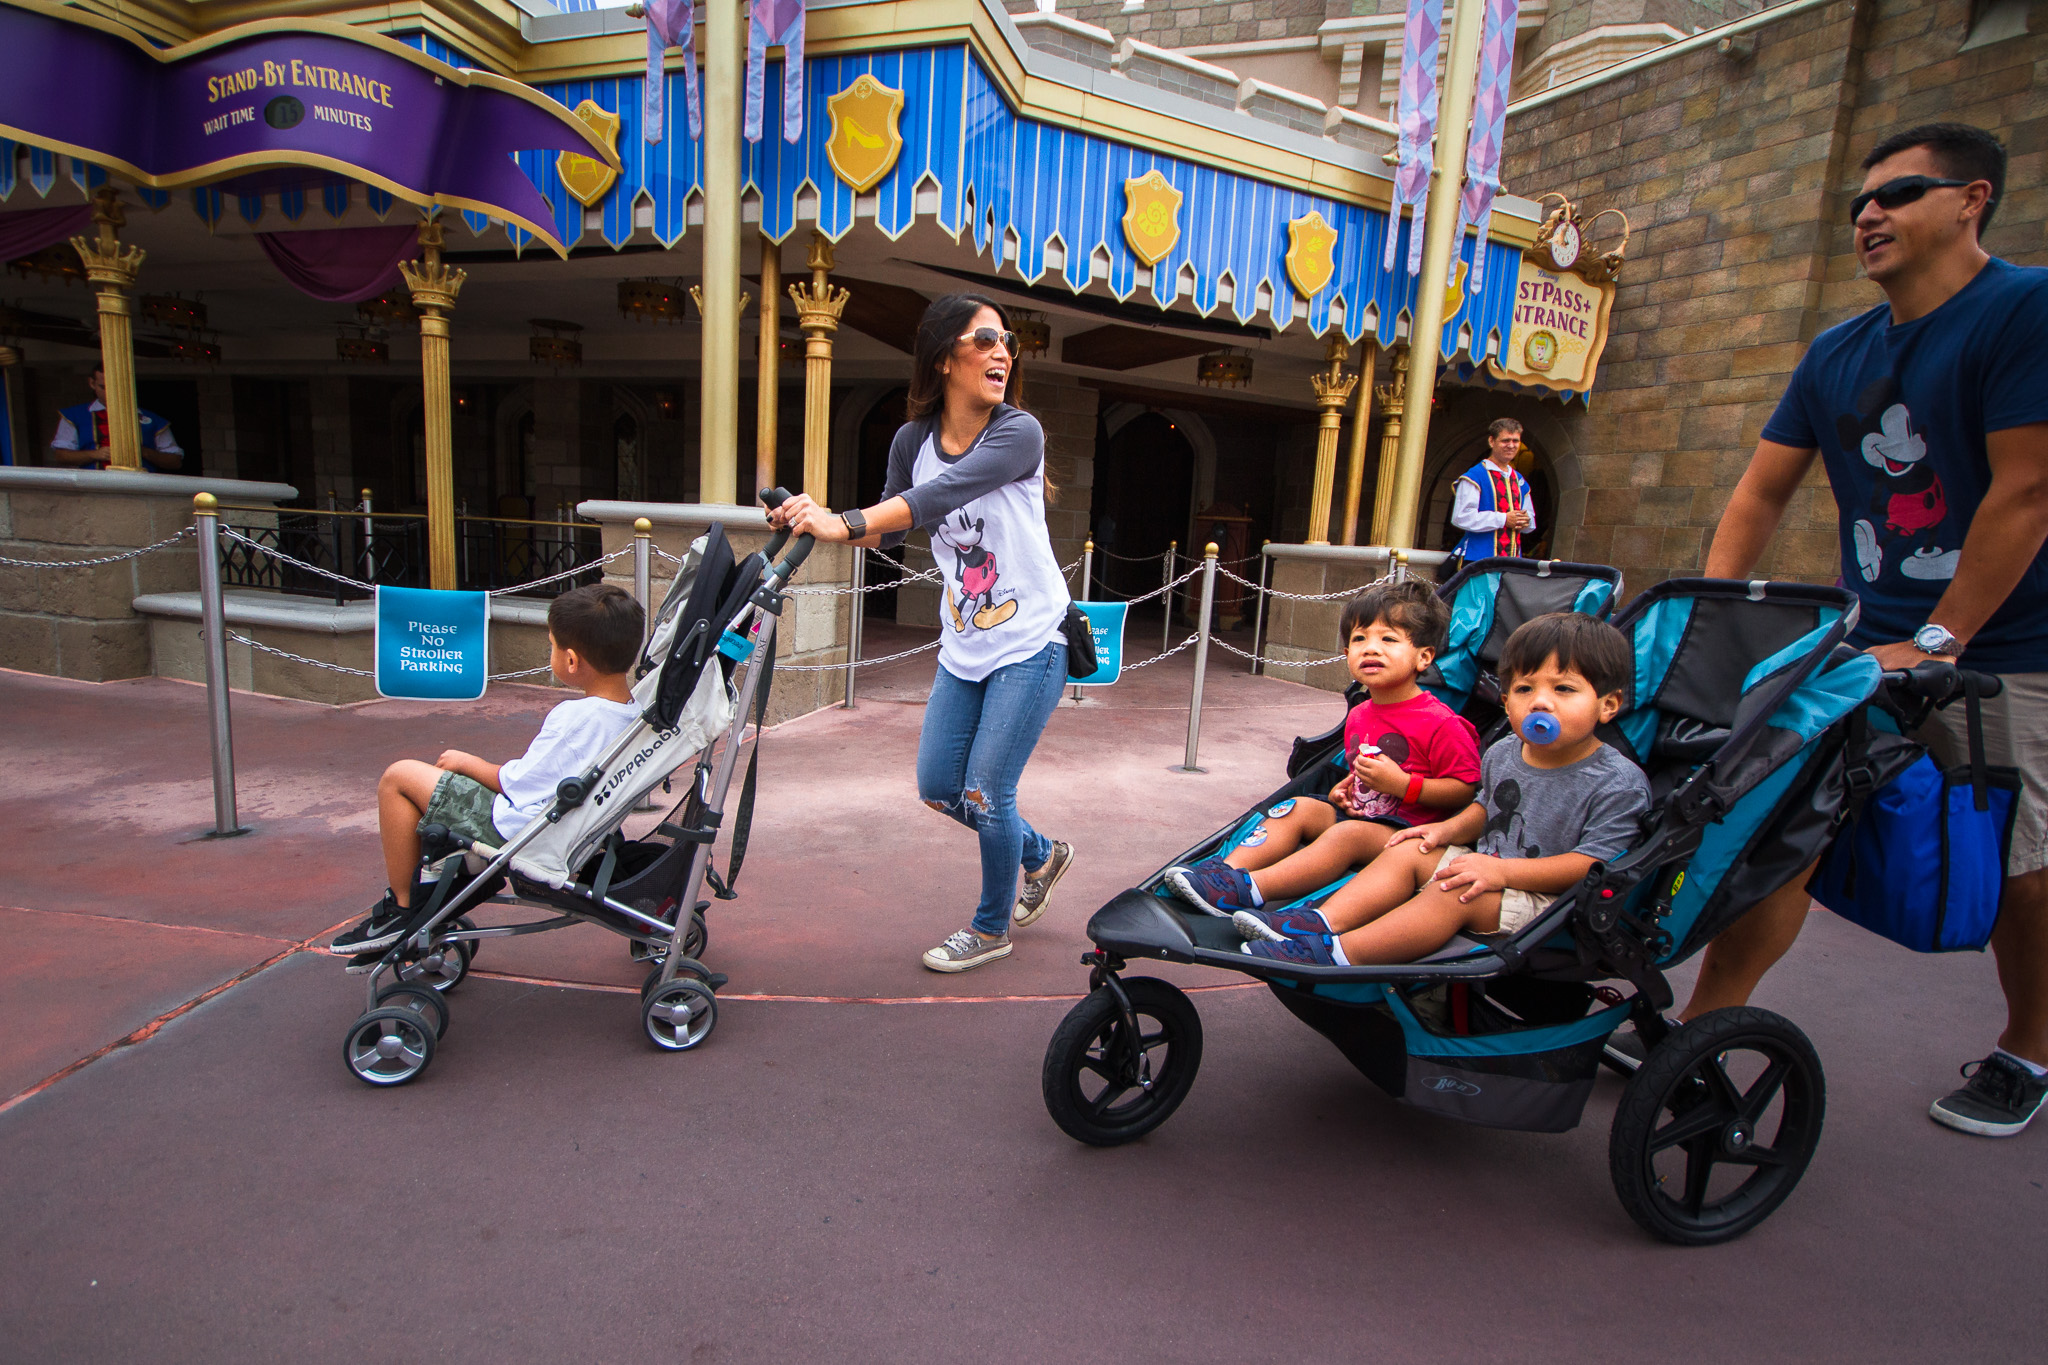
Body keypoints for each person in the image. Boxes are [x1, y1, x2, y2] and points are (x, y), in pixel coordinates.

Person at [1682, 122, 2048, 1137]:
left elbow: (2025, 492)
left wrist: (1939, 640)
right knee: (1776, 827)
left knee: (2017, 866)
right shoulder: (1835, 351)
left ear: (1970, 198)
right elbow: (1759, 490)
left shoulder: (2022, 310)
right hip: (1865, 638)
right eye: (1857, 203)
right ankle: (1700, 1028)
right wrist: (1714, 604)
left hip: (2009, 646)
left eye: (1895, 194)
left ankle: (2026, 1048)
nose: (1866, 216)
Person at [767, 293, 1075, 972]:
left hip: (1031, 641)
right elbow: (896, 526)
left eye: (1008, 343)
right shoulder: (912, 441)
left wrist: (843, 519)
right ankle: (1040, 852)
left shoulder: (1017, 432)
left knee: (987, 789)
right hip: (965, 642)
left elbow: (943, 495)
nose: (1003, 352)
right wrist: (809, 516)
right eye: (985, 339)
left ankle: (991, 927)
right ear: (943, 359)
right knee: (940, 785)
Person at [1238, 613, 1649, 967]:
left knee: (1452, 893)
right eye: (1525, 690)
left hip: (1551, 903)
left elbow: (1593, 865)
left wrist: (1499, 871)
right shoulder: (1507, 751)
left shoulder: (1617, 782)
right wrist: (1443, 832)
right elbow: (1486, 808)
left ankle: (1343, 953)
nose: (1540, 703)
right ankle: (1321, 922)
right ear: (1506, 702)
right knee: (1407, 849)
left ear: (1608, 705)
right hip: (1485, 865)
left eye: (1563, 689)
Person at [326, 583, 645, 963]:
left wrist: (468, 763)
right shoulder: (634, 713)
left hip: (518, 831)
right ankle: (428, 886)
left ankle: (405, 908)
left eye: (553, 646)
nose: (552, 655)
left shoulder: (575, 719)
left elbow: (518, 785)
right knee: (422, 784)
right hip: (565, 827)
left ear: (572, 661)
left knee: (399, 778)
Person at [1160, 578, 1480, 921]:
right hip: (1359, 814)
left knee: (1347, 835)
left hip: (1405, 833)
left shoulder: (1441, 723)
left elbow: (1465, 791)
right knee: (1296, 807)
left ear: (1424, 657)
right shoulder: (1360, 714)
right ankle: (1224, 871)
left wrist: (1403, 786)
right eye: (1359, 639)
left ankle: (1253, 889)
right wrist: (1345, 788)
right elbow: (1359, 772)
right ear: (1346, 654)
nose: (1371, 649)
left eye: (1388, 639)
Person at [47, 366, 183, 471]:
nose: (110, 393)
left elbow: (175, 461)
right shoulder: (74, 415)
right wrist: (96, 454)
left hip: (140, 490)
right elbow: (61, 456)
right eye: (103, 387)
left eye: (115, 387)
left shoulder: (153, 420)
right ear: (92, 383)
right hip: (92, 489)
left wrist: (144, 452)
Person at [1449, 418, 1533, 561]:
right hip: (1478, 561)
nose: (1511, 445)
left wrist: (1526, 521)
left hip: (1512, 561)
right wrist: (1504, 519)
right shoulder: (1475, 476)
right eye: (1505, 441)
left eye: (1515, 441)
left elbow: (1529, 521)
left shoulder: (1519, 481)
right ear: (1491, 441)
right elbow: (1461, 517)